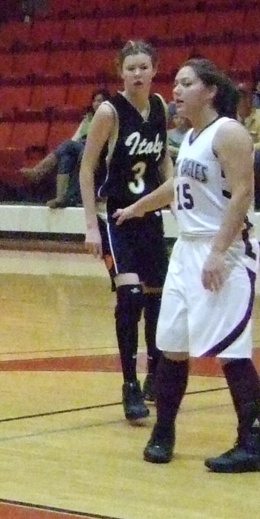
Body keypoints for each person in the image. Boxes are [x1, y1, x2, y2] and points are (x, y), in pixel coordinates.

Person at [113, 58, 260, 473]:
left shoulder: (229, 132)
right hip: (186, 250)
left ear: (211, 90)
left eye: (186, 83)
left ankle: (254, 443)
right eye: (176, 83)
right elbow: (178, 185)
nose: (176, 90)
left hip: (225, 250)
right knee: (172, 347)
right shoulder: (189, 137)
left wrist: (218, 251)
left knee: (231, 350)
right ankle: (163, 432)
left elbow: (243, 193)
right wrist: (139, 206)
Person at [79, 41, 172, 424]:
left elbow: (163, 158)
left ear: (154, 70)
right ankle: (129, 384)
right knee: (130, 297)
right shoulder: (109, 112)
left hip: (149, 216)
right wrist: (90, 225)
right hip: (116, 218)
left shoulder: (160, 106)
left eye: (143, 67)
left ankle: (155, 376)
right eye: (130, 67)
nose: (137, 73)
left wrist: (173, 191)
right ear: (120, 72)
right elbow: (86, 169)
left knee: (157, 300)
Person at [23, 88, 107, 208]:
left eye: (100, 101)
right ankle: (61, 198)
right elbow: (76, 138)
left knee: (68, 145)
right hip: (82, 147)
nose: (97, 104)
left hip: (99, 150)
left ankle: (38, 171)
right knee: (66, 156)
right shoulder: (88, 118)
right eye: (95, 101)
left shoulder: (110, 118)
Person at [235, 85, 260, 211]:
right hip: (234, 154)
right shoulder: (230, 118)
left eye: (243, 98)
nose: (239, 102)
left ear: (249, 100)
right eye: (237, 99)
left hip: (254, 154)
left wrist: (247, 148)